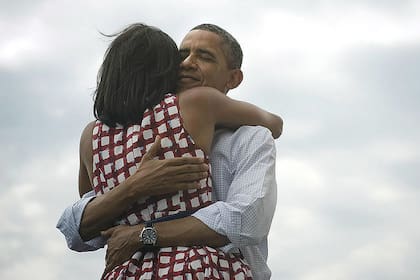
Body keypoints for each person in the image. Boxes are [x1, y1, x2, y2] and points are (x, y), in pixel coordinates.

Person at [58, 23, 281, 279]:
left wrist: (142, 232)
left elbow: (246, 221)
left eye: (204, 56)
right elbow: (81, 226)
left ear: (233, 78)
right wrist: (135, 186)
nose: (187, 63)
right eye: (181, 56)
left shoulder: (249, 138)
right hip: (199, 268)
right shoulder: (190, 109)